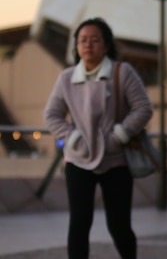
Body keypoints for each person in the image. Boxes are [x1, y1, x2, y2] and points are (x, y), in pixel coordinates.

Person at [44, 17, 154, 259]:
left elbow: (143, 108)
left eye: (94, 40)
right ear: (76, 46)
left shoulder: (122, 72)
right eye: (83, 40)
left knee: (119, 225)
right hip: (79, 159)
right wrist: (73, 139)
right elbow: (51, 115)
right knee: (79, 223)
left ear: (106, 45)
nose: (88, 45)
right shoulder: (66, 78)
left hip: (116, 160)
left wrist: (118, 136)